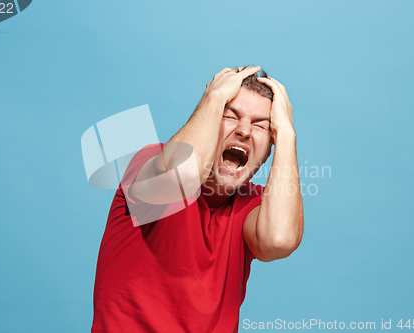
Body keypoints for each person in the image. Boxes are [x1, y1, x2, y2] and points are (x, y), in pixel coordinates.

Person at [91, 66, 304, 333]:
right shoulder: (150, 165)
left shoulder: (254, 205)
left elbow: (279, 241)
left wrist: (286, 134)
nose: (245, 131)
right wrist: (214, 98)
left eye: (261, 126)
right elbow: (185, 175)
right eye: (230, 116)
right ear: (210, 119)